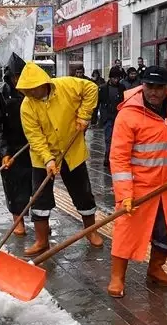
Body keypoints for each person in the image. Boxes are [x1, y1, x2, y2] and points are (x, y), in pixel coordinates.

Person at [107, 67, 167, 298]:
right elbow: (119, 157)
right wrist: (124, 195)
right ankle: (117, 276)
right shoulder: (128, 114)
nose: (154, 92)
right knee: (126, 229)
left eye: (159, 87)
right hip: (138, 185)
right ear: (142, 85)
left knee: (165, 231)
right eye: (149, 86)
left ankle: (156, 268)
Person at [15, 61, 105, 256]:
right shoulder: (27, 107)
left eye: (31, 89)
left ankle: (91, 231)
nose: (29, 94)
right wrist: (48, 159)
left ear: (42, 83)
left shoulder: (66, 86)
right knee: (40, 198)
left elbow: (91, 88)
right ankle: (41, 240)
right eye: (25, 91)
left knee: (82, 193)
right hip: (42, 157)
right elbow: (34, 137)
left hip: (72, 151)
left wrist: (83, 115)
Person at [0, 53, 32, 236]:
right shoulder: (1, 94)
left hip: (33, 145)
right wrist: (5, 151)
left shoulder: (32, 90)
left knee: (36, 185)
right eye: (15, 76)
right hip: (12, 148)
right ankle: (18, 220)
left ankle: (40, 221)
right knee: (14, 186)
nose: (17, 80)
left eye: (20, 75)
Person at [96, 65, 126, 166]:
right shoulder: (103, 88)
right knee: (108, 138)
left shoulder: (122, 88)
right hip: (108, 116)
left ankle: (114, 156)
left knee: (118, 138)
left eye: (118, 78)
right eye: (114, 78)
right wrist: (95, 118)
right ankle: (108, 156)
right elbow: (97, 103)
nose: (116, 80)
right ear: (110, 77)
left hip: (119, 116)